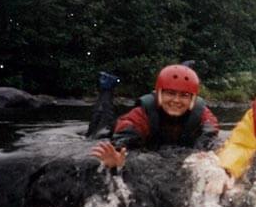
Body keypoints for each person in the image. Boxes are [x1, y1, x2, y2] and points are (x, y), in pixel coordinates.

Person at [90, 64, 220, 168]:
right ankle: (106, 90)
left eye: (184, 95)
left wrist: (205, 154)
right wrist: (118, 154)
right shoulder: (142, 114)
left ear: (193, 99)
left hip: (168, 148)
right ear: (159, 94)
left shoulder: (202, 114)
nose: (176, 100)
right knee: (99, 130)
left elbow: (210, 136)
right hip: (112, 131)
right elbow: (125, 135)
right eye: (170, 93)